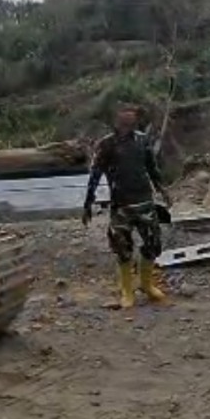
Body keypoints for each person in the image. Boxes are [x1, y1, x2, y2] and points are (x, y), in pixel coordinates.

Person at [83, 103, 171, 309]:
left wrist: (163, 189)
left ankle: (147, 285)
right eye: (123, 120)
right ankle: (127, 290)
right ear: (115, 121)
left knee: (153, 245)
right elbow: (95, 175)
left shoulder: (142, 140)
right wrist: (88, 203)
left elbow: (151, 167)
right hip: (121, 205)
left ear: (135, 121)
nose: (127, 123)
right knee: (122, 249)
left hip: (145, 202)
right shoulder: (106, 144)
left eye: (131, 120)